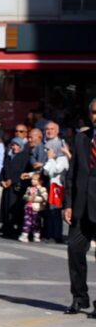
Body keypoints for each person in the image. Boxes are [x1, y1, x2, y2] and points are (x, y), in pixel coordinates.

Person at [64, 99, 96, 314]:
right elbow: (72, 174)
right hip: (81, 207)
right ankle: (79, 297)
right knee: (74, 250)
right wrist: (68, 204)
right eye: (94, 112)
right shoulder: (82, 138)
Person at [22, 173, 46, 242]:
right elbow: (24, 196)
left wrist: (35, 198)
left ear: (40, 181)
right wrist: (28, 198)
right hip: (28, 207)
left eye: (35, 180)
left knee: (36, 222)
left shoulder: (42, 189)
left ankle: (36, 235)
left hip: (36, 208)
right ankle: (25, 235)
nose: (33, 181)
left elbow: (44, 198)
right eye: (32, 179)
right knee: (27, 221)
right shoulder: (29, 188)